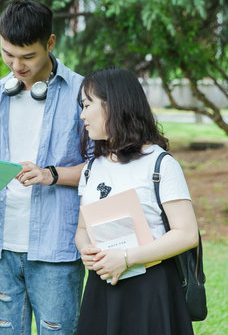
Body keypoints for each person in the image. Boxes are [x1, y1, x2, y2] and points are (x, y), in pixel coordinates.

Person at [0, 0, 87, 334]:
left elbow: (103, 169)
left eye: (28, 56)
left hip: (57, 249)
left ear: (50, 43)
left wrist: (50, 174)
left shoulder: (82, 92)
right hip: (1, 247)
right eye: (7, 54)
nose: (16, 66)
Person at [75, 67, 199, 334]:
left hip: (150, 291)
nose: (82, 115)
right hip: (103, 288)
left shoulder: (160, 164)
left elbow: (187, 234)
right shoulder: (91, 168)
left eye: (87, 105)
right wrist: (85, 249)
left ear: (114, 105)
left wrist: (128, 257)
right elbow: (83, 230)